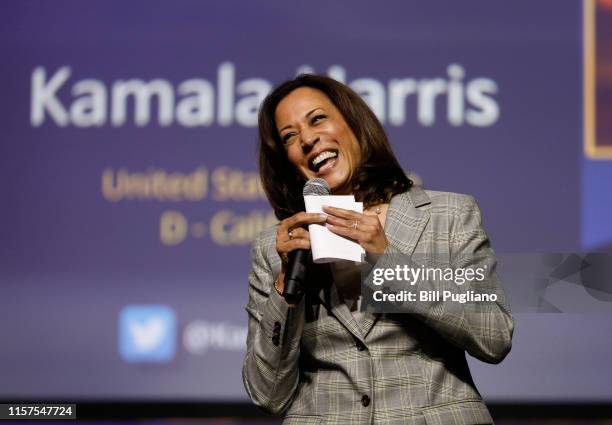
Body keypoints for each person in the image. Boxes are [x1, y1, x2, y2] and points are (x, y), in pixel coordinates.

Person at [242, 74, 513, 425]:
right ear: (286, 160)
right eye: (290, 137)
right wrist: (285, 289)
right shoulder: (273, 250)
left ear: (354, 123)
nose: (308, 139)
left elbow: (494, 337)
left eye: (318, 118)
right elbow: (267, 394)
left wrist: (388, 258)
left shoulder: (448, 216)